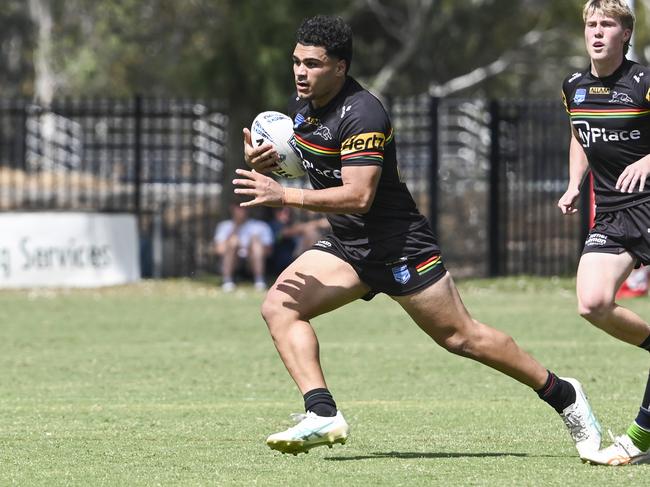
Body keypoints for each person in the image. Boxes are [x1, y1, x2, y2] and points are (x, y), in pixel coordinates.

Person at [234, 15, 601, 458]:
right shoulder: (305, 109)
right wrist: (269, 163)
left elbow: (359, 195)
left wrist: (284, 195)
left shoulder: (363, 113)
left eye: (312, 64)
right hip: (351, 249)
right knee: (279, 306)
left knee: (462, 338)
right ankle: (322, 412)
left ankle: (563, 394)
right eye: (296, 62)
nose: (299, 72)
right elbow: (311, 164)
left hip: (400, 247)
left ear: (340, 67)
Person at [558, 0, 650, 466]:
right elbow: (579, 135)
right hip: (613, 212)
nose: (597, 32)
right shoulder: (573, 86)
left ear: (625, 34)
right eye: (591, 24)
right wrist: (575, 183)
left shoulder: (644, 82)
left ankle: (640, 440)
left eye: (607, 24)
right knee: (592, 302)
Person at [213, 204, 273, 291]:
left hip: (252, 262)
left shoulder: (260, 226)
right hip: (234, 262)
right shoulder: (224, 226)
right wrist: (235, 229)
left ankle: (259, 281)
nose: (241, 211)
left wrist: (250, 250)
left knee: (255, 241)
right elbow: (219, 250)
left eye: (244, 208)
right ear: (232, 209)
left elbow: (269, 251)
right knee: (233, 242)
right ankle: (227, 281)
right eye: (239, 208)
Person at [267, 207, 330, 276]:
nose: (285, 213)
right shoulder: (273, 225)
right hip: (282, 264)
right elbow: (285, 233)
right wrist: (318, 223)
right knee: (311, 233)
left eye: (288, 211)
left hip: (295, 260)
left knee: (312, 234)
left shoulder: (291, 223)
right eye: (281, 210)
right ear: (274, 212)